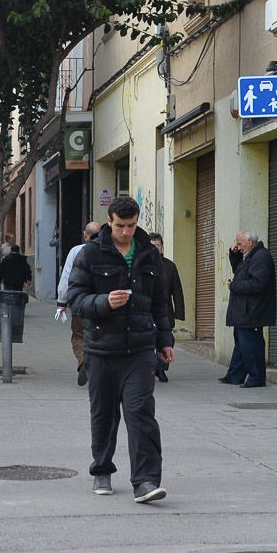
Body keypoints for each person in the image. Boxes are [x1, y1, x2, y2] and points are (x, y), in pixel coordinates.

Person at [66, 197, 174, 503]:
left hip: (140, 350)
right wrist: (103, 302)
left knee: (141, 413)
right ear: (109, 221)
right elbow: (75, 298)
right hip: (101, 350)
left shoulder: (149, 255)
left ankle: (146, 481)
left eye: (131, 225)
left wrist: (165, 341)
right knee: (104, 415)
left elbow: (159, 303)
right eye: (120, 225)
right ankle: (102, 469)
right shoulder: (90, 253)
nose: (126, 232)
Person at [221, 229, 276, 388]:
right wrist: (234, 255)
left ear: (250, 242)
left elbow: (257, 284)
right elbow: (240, 272)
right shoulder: (250, 256)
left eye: (240, 243)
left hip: (252, 310)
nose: (238, 246)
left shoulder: (261, 257)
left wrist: (234, 285)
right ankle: (235, 375)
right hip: (245, 310)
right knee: (241, 343)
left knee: (251, 345)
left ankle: (256, 377)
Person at [55, 221, 101, 386]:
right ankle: (96, 366)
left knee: (79, 335)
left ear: (85, 235)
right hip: (100, 304)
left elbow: (67, 277)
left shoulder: (76, 251)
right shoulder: (108, 250)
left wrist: (62, 302)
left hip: (80, 303)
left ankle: (83, 361)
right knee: (99, 335)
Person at [149, 233, 185, 383]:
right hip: (147, 311)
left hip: (165, 311)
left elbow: (177, 290)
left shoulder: (169, 266)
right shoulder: (144, 265)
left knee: (166, 340)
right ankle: (151, 368)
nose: (155, 249)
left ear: (162, 247)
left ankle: (161, 369)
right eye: (152, 246)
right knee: (149, 341)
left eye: (157, 246)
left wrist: (180, 312)